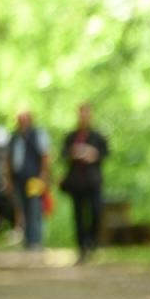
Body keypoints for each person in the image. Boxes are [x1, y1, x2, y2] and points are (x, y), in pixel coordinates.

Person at [60, 103, 110, 263]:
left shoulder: (97, 136)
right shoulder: (71, 137)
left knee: (96, 212)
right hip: (76, 182)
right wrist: (73, 153)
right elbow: (63, 154)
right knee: (79, 215)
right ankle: (82, 248)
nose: (84, 117)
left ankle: (92, 241)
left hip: (93, 181)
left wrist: (93, 154)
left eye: (86, 114)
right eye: (81, 114)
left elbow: (105, 154)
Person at [5, 110, 52, 250]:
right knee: (21, 207)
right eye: (20, 120)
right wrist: (8, 179)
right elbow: (8, 159)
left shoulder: (38, 134)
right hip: (18, 178)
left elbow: (45, 155)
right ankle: (27, 241)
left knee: (34, 207)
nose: (22, 123)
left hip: (34, 179)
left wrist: (43, 175)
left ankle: (36, 241)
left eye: (24, 119)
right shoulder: (14, 137)